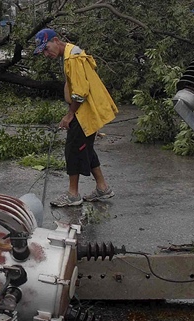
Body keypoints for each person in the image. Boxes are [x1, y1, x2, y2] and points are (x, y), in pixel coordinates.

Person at [33, 28, 118, 207]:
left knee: (73, 150)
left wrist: (69, 115)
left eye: (46, 49)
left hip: (83, 112)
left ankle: (73, 195)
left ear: (56, 40)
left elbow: (81, 93)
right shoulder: (71, 53)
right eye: (43, 52)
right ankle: (103, 188)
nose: (46, 54)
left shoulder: (73, 58)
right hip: (87, 111)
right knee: (85, 148)